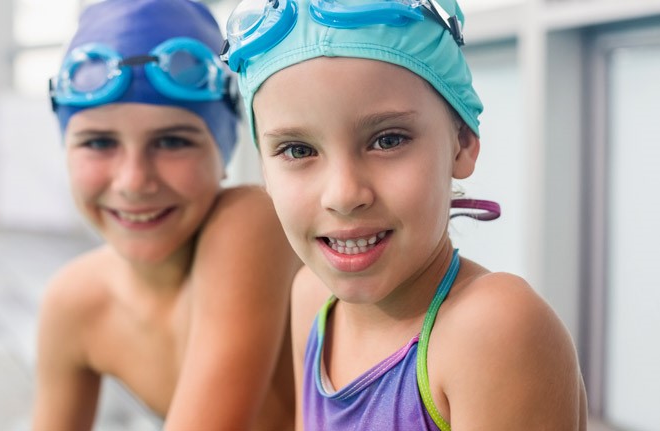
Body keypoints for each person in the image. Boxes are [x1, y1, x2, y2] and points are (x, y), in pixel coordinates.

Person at [223, 0, 588, 429]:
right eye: (298, 150)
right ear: (264, 169)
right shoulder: (312, 299)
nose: (343, 194)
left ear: (463, 143)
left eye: (388, 140)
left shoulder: (492, 330)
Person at [32, 0, 302, 430]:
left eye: (173, 142)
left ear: (224, 151)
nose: (134, 181)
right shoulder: (75, 303)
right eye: (99, 143)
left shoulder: (251, 224)